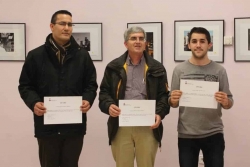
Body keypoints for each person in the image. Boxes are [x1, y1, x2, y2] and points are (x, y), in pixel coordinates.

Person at [18, 10, 98, 167]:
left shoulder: (82, 56)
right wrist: (34, 103)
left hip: (74, 127)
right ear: (51, 26)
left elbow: (91, 84)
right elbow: (25, 85)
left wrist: (88, 99)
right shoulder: (35, 55)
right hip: (47, 126)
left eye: (70, 24)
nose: (67, 28)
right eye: (62, 24)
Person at [99, 26, 170, 167]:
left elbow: (164, 96)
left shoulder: (157, 68)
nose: (138, 41)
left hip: (148, 125)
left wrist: (159, 114)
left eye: (141, 38)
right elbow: (104, 93)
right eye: (133, 38)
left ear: (145, 43)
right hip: (121, 125)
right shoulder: (113, 67)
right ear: (126, 43)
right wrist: (109, 106)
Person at [169, 27, 233, 167]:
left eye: (202, 41)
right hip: (186, 133)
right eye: (194, 41)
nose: (198, 45)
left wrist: (226, 101)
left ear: (209, 44)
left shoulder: (219, 70)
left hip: (213, 133)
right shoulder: (179, 70)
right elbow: (173, 103)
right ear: (189, 44)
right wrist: (172, 100)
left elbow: (229, 102)